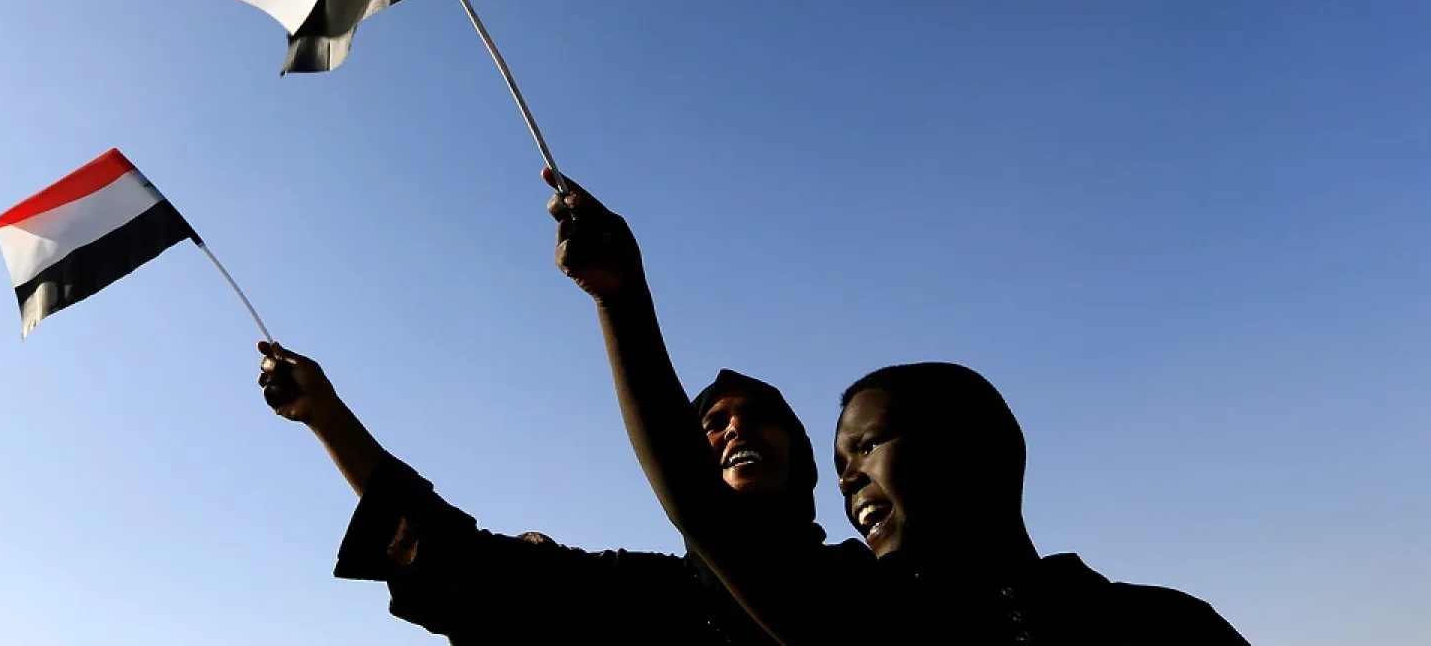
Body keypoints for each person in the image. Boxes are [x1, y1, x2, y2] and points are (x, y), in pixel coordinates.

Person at [545, 169, 1252, 644]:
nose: (847, 476)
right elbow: (703, 512)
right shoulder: (872, 618)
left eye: (867, 445)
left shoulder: (1163, 624)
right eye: (840, 461)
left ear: (973, 446)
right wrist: (622, 300)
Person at [256, 337, 865, 644]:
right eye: (712, 422)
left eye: (761, 417)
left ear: (806, 460)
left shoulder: (868, 584)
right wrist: (327, 417)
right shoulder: (648, 596)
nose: (736, 429)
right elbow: (462, 562)